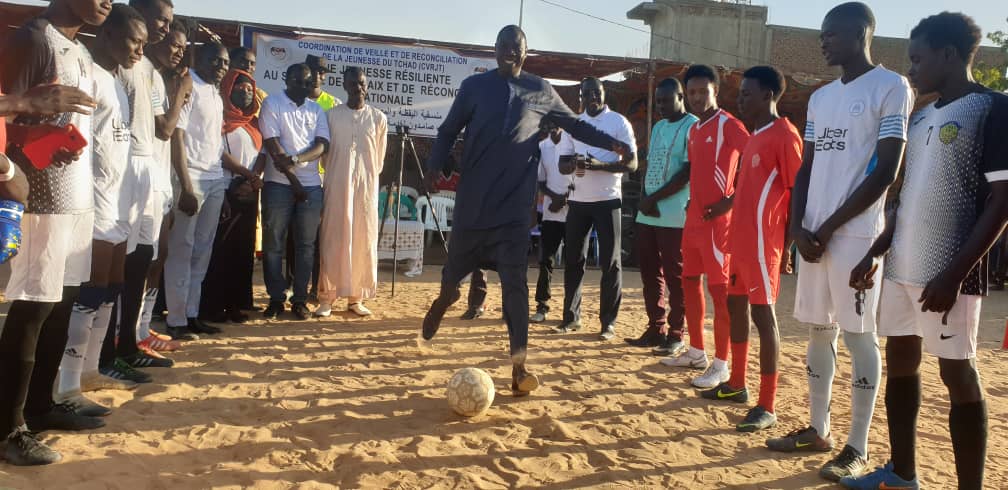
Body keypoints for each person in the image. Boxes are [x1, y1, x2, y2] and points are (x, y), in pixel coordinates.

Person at [841, 12, 1008, 490]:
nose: (911, 69)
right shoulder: (922, 117)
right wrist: (876, 251)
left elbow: (1002, 202)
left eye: (918, 58)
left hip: (949, 274)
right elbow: (904, 198)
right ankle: (903, 473)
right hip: (901, 269)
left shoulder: (992, 109)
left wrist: (954, 274)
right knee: (901, 363)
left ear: (949, 55)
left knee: (958, 373)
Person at [420, 25, 632, 395]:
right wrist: (436, 164)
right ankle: (442, 303)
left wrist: (614, 144)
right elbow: (447, 130)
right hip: (473, 208)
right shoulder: (474, 88)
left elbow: (577, 126)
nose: (509, 52)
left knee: (515, 288)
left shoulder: (541, 91)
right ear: (495, 49)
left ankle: (519, 368)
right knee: (452, 284)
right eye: (503, 46)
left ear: (525, 52)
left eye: (516, 48)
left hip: (513, 214)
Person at [765, 2, 913, 483]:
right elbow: (807, 167)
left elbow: (887, 173)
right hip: (813, 234)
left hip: (853, 234)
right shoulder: (821, 98)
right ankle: (818, 428)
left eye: (830, 34)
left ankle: (857, 445)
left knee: (858, 335)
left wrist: (828, 227)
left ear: (859, 33)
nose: (823, 42)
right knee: (818, 331)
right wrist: (797, 226)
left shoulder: (891, 87)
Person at [0, 0, 110, 466]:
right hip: (39, 192)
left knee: (60, 301)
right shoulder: (33, 39)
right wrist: (33, 132)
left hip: (75, 192)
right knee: (33, 305)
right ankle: (9, 428)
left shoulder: (79, 49)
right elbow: (7, 118)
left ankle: (42, 406)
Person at [56, 3, 149, 422]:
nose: (139, 49)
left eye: (143, 43)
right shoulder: (89, 74)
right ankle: (67, 382)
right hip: (90, 200)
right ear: (107, 34)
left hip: (118, 200)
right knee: (88, 291)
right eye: (133, 40)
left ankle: (92, 369)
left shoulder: (117, 80)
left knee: (110, 286)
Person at [698, 66, 802, 434]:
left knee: (764, 318)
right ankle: (737, 384)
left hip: (763, 244)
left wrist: (788, 245)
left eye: (747, 93)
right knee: (735, 306)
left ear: (769, 96)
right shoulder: (755, 135)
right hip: (739, 242)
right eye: (739, 94)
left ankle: (767, 403)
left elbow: (795, 193)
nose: (740, 99)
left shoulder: (785, 136)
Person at [660, 65, 749, 391]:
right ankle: (697, 351)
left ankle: (722, 365)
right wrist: (692, 201)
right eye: (692, 93)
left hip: (718, 225)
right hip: (693, 221)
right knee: (687, 284)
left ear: (716, 91)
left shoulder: (729, 125)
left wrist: (730, 201)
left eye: (703, 91)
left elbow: (755, 163)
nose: (697, 98)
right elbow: (699, 172)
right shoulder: (695, 130)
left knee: (720, 293)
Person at [552, 77, 637, 342]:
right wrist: (573, 164)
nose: (592, 98)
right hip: (578, 201)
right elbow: (562, 164)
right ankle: (571, 318)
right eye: (586, 94)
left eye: (596, 93)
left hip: (608, 199)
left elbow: (632, 164)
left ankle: (607, 323)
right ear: (580, 97)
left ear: (604, 95)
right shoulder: (574, 126)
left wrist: (598, 166)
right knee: (574, 260)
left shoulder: (618, 123)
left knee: (610, 263)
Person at [163, 42, 235, 338]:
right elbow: (176, 137)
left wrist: (222, 188)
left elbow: (214, 145)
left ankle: (191, 314)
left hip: (215, 179)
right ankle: (175, 319)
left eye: (225, 62)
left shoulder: (216, 94)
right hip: (190, 178)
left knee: (202, 252)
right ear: (199, 59)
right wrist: (185, 187)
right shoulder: (188, 83)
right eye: (215, 60)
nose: (221, 66)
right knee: (182, 250)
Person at [625, 78, 697, 352]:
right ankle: (656, 327)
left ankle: (677, 334)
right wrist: (645, 198)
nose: (662, 106)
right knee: (649, 272)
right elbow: (651, 164)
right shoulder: (657, 127)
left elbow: (687, 172)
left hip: (674, 212)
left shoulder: (691, 125)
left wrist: (654, 199)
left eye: (668, 100)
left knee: (675, 275)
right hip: (649, 211)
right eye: (659, 101)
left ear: (681, 97)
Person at [135, 17, 191, 350]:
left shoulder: (154, 76)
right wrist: (182, 92)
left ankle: (141, 329)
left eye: (184, 49)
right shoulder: (143, 71)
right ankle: (126, 332)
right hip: (139, 180)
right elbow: (166, 130)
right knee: (141, 260)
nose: (180, 54)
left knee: (160, 255)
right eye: (175, 45)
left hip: (160, 179)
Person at [315, 66, 388, 317]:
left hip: (365, 190)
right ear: (344, 86)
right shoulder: (331, 116)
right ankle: (327, 298)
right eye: (353, 83)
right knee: (334, 239)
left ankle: (356, 298)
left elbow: (378, 161)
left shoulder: (378, 118)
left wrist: (362, 179)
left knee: (362, 240)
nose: (358, 88)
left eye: (362, 83)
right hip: (337, 186)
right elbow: (324, 158)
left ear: (367, 86)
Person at [259, 63, 329, 320]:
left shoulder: (317, 110)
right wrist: (294, 181)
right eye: (298, 81)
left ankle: (300, 299)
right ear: (287, 80)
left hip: (311, 185)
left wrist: (298, 160)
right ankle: (276, 298)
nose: (303, 86)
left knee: (306, 246)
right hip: (278, 184)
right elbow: (273, 146)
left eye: (308, 82)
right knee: (273, 244)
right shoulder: (272, 104)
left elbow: (322, 145)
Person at [200, 69, 266, 323]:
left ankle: (236, 304)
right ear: (228, 89)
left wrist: (253, 179)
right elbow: (216, 152)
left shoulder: (254, 122)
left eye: (250, 89)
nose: (246, 93)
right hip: (225, 189)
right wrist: (244, 174)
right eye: (239, 88)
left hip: (249, 193)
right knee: (221, 251)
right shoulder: (220, 119)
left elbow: (262, 153)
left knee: (242, 250)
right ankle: (214, 305)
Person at [530, 122, 572, 324]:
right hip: (550, 214)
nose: (552, 127)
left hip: (574, 214)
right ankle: (542, 306)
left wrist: (564, 199)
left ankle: (571, 312)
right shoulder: (542, 146)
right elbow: (540, 182)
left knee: (574, 263)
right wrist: (554, 199)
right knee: (545, 261)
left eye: (557, 122)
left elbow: (581, 179)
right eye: (548, 124)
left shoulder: (573, 143)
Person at [230, 46, 268, 113]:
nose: (248, 66)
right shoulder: (217, 92)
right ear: (230, 62)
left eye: (252, 63)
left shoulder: (260, 95)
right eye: (243, 61)